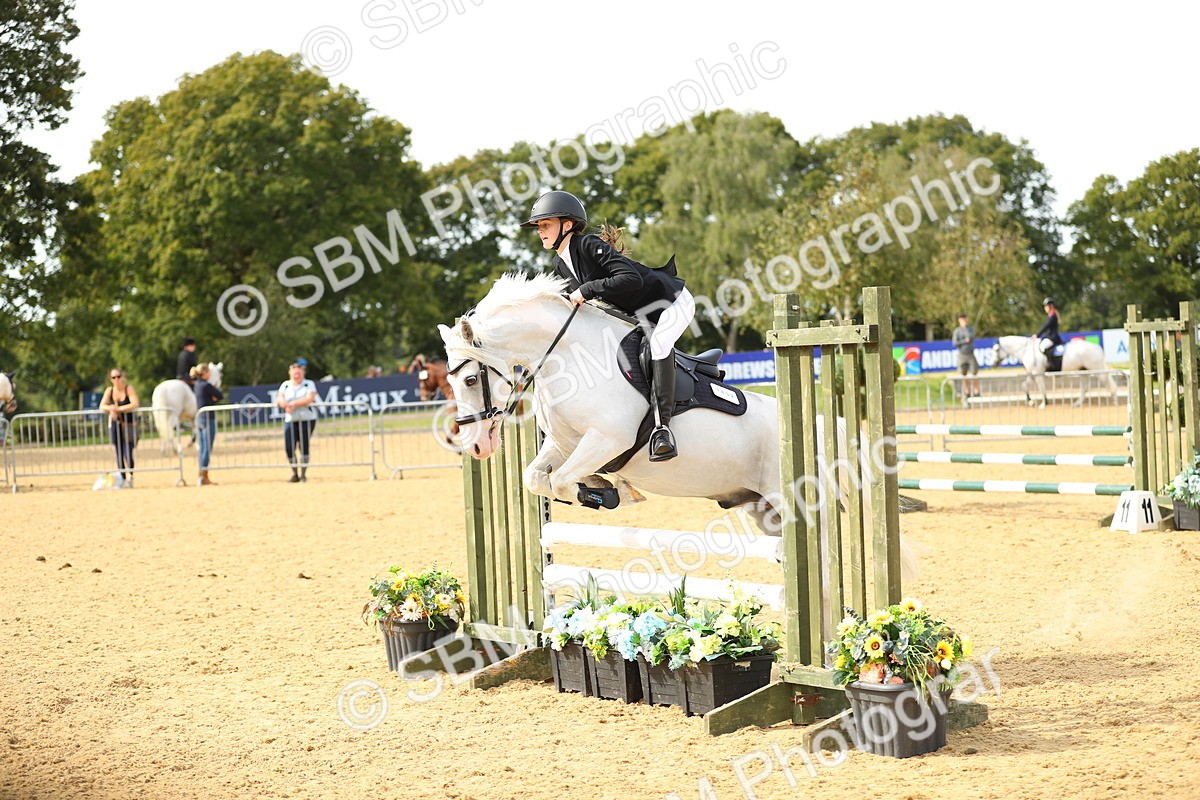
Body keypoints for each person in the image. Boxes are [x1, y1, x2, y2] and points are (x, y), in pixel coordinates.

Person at [521, 190, 694, 462]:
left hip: (671, 303)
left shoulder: (588, 244)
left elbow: (631, 279)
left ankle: (662, 428)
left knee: (659, 344)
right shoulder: (560, 263)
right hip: (639, 315)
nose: (540, 231)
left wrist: (587, 289)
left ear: (567, 225)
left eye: (545, 224)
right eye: (538, 226)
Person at [276, 362, 318, 482]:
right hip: (291, 419)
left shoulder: (309, 384)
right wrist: (284, 404)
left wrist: (293, 404)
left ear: (303, 373)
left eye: (299, 371)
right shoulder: (286, 385)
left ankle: (303, 474)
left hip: (307, 419)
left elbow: (310, 398)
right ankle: (295, 473)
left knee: (303, 445)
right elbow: (279, 397)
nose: (297, 374)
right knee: (289, 447)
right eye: (294, 371)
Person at [98, 368, 139, 487]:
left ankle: (131, 476)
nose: (116, 379)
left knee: (128, 452)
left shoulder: (128, 389)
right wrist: (111, 408)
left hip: (128, 426)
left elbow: (135, 403)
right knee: (118, 452)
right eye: (113, 377)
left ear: (123, 377)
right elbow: (102, 405)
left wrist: (119, 409)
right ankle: (122, 478)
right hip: (115, 425)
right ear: (111, 379)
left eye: (118, 376)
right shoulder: (109, 390)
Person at [192, 363, 224, 486]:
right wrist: (213, 399)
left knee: (202, 448)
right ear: (204, 373)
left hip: (200, 418)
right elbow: (220, 395)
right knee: (207, 448)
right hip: (208, 418)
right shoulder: (206, 385)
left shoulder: (197, 385)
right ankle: (204, 475)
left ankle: (200, 473)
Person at [952, 313, 981, 399]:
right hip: (962, 354)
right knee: (963, 374)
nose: (964, 320)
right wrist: (964, 341)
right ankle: (967, 392)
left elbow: (971, 337)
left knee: (974, 373)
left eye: (965, 318)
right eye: (962, 319)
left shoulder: (970, 329)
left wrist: (966, 339)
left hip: (970, 353)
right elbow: (955, 343)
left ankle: (976, 391)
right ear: (959, 320)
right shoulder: (957, 331)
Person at [1033, 297, 1064, 370]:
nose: (1045, 308)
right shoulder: (1050, 315)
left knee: (1043, 346)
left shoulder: (1053, 316)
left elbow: (1046, 326)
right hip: (1049, 337)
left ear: (1051, 306)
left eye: (1046, 306)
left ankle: (1051, 365)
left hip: (1052, 338)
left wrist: (1037, 335)